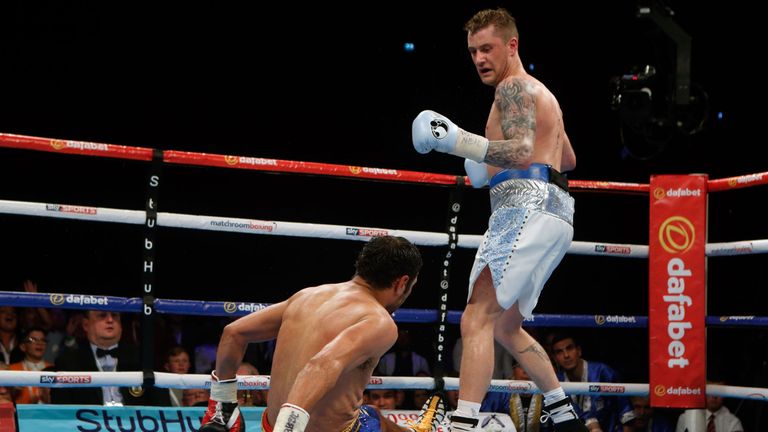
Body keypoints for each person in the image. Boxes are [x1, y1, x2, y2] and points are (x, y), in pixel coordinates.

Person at [411, 7, 581, 431]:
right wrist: (479, 154)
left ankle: (463, 422)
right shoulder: (540, 92)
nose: (479, 58)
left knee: (476, 317)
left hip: (525, 207)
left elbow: (522, 152)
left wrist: (456, 141)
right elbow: (568, 159)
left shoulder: (512, 89)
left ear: (512, 45)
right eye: (472, 51)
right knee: (506, 326)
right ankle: (564, 414)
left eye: (487, 48)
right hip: (555, 212)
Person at [199, 235, 445, 432]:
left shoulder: (306, 296)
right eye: (410, 287)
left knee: (372, 416)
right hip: (297, 428)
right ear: (402, 283)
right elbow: (321, 364)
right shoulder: (379, 321)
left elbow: (233, 333)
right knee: (370, 420)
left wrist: (223, 404)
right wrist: (288, 428)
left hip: (271, 424)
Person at [49, 310, 145, 405]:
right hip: (87, 419)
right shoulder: (67, 361)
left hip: (133, 419)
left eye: (115, 315)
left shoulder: (139, 357)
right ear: (86, 325)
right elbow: (61, 405)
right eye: (102, 315)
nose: (110, 320)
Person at [550, 333, 635, 430]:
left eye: (569, 348)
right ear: (555, 358)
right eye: (559, 352)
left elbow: (627, 415)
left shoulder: (603, 372)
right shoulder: (556, 382)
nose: (566, 355)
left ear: (579, 351)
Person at [675, 381, 743, 432]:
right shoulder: (685, 418)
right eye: (711, 391)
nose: (714, 396)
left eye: (719, 392)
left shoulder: (733, 422)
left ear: (724, 395)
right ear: (704, 393)